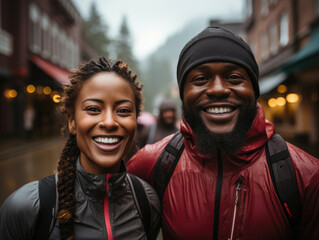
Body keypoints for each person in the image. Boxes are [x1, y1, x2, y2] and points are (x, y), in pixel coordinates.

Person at [127, 27, 319, 240]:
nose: (218, 89)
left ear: (254, 91)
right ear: (183, 94)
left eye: (234, 77)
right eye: (200, 79)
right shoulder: (151, 162)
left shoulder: (308, 176)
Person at [0, 57, 161, 240]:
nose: (109, 122)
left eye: (123, 110)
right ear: (72, 121)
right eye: (93, 109)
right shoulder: (26, 208)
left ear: (135, 121)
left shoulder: (147, 201)